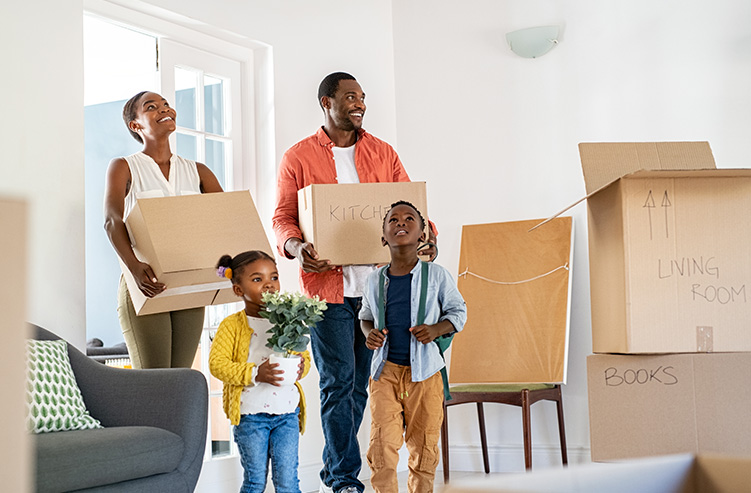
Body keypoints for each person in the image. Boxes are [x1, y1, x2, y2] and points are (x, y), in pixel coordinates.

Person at [272, 72, 436, 493]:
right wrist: (295, 247)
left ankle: (335, 469)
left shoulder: (383, 152)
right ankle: (344, 478)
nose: (359, 103)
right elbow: (283, 218)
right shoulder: (299, 157)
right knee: (337, 381)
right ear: (327, 102)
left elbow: (410, 206)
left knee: (364, 381)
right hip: (328, 290)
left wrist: (429, 234)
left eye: (362, 97)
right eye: (349, 97)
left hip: (379, 291)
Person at [103, 91, 224, 369]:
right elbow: (112, 220)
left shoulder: (198, 171)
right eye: (152, 107)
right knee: (154, 382)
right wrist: (134, 266)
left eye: (166, 104)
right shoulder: (124, 167)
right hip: (145, 282)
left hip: (189, 285)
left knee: (180, 379)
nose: (164, 109)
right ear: (136, 125)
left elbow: (223, 223)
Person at [359, 201, 466, 493]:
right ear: (384, 236)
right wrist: (370, 334)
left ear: (423, 235)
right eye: (393, 220)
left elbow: (458, 313)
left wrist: (436, 330)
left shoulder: (437, 275)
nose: (401, 223)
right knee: (381, 446)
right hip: (385, 373)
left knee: (424, 446)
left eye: (409, 219)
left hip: (426, 374)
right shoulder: (373, 280)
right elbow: (365, 317)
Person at [209, 250, 310, 493]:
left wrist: (300, 366)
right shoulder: (232, 325)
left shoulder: (288, 319)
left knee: (289, 483)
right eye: (257, 279)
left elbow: (304, 356)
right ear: (238, 289)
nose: (269, 285)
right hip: (251, 416)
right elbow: (217, 365)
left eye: (273, 277)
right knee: (255, 482)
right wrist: (255, 373)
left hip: (287, 414)